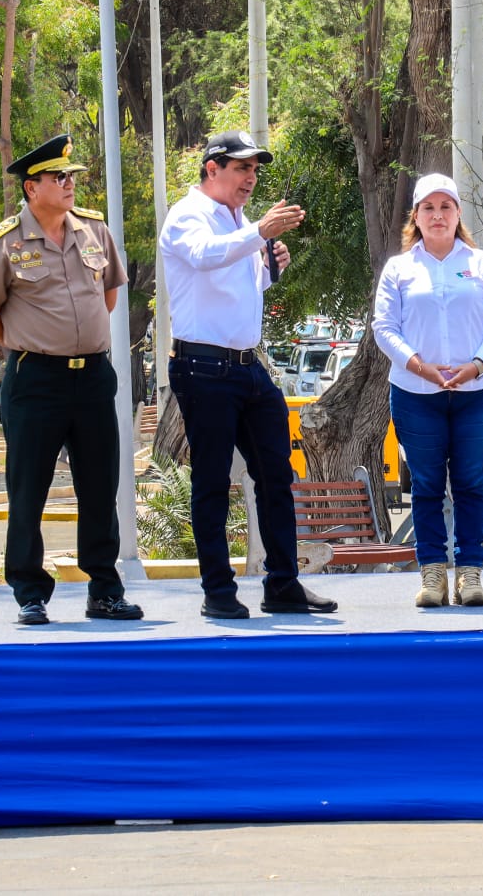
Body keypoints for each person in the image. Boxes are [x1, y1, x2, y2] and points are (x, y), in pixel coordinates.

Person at [159, 130, 336, 618]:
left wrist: (269, 266)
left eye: (255, 170)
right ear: (211, 169)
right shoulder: (187, 214)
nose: (251, 178)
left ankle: (283, 583)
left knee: (276, 475)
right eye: (241, 168)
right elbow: (204, 256)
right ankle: (218, 591)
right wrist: (259, 234)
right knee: (213, 481)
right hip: (203, 366)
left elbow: (240, 283)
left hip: (246, 365)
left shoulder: (237, 221)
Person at [0, 134, 141, 626]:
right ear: (32, 188)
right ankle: (29, 590)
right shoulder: (4, 242)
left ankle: (104, 589)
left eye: (71, 176)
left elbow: (107, 298)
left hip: (91, 376)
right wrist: (34, 342)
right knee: (28, 489)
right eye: (58, 178)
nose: (69, 184)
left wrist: (75, 343)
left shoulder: (94, 230)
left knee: (99, 485)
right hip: (35, 380)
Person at [372, 173, 483, 607]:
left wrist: (476, 365)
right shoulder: (399, 268)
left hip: (478, 391)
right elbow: (384, 327)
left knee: (470, 484)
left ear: (458, 214)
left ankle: (469, 574)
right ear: (416, 216)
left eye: (446, 207)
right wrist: (419, 366)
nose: (437, 216)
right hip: (416, 394)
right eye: (428, 208)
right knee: (428, 485)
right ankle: (432, 574)